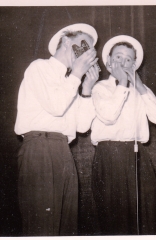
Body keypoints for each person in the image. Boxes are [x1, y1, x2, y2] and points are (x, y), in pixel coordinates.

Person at [14, 23, 99, 236]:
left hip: (63, 151)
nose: (87, 55)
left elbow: (82, 126)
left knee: (66, 225)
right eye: (84, 47)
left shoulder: (71, 81)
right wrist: (77, 75)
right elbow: (55, 106)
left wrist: (87, 90)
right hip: (39, 148)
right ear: (67, 42)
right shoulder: (39, 68)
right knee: (41, 224)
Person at [90, 35, 156, 235]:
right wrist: (123, 84)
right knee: (115, 220)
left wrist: (140, 87)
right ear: (108, 62)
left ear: (134, 64)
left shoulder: (141, 90)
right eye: (118, 57)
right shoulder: (100, 88)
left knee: (146, 215)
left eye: (128, 59)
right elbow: (108, 116)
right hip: (109, 156)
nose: (122, 62)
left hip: (138, 156)